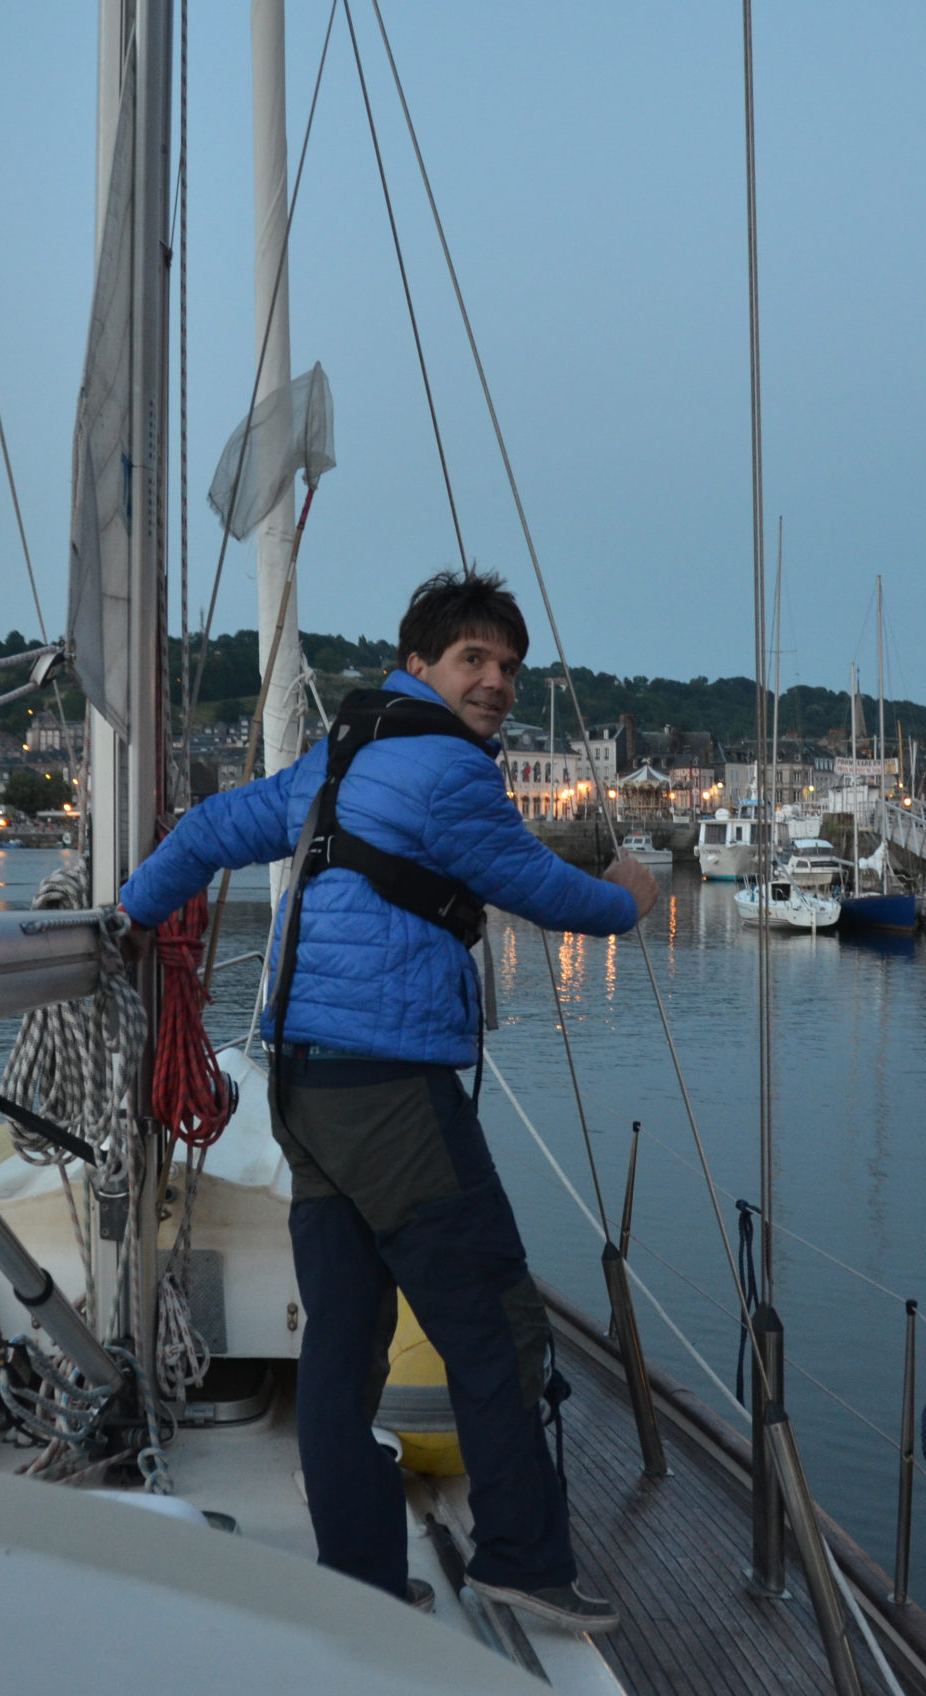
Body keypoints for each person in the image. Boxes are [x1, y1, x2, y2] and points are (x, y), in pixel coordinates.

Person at [117, 567, 657, 1631]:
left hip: (305, 1084)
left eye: (507, 665)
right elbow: (550, 894)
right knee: (495, 1324)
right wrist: (632, 896)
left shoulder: (339, 758)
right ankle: (519, 1555)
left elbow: (217, 827)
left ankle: (357, 1570)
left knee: (344, 1334)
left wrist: (132, 910)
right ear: (420, 664)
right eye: (474, 659)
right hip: (389, 1086)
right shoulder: (447, 773)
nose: (496, 681)